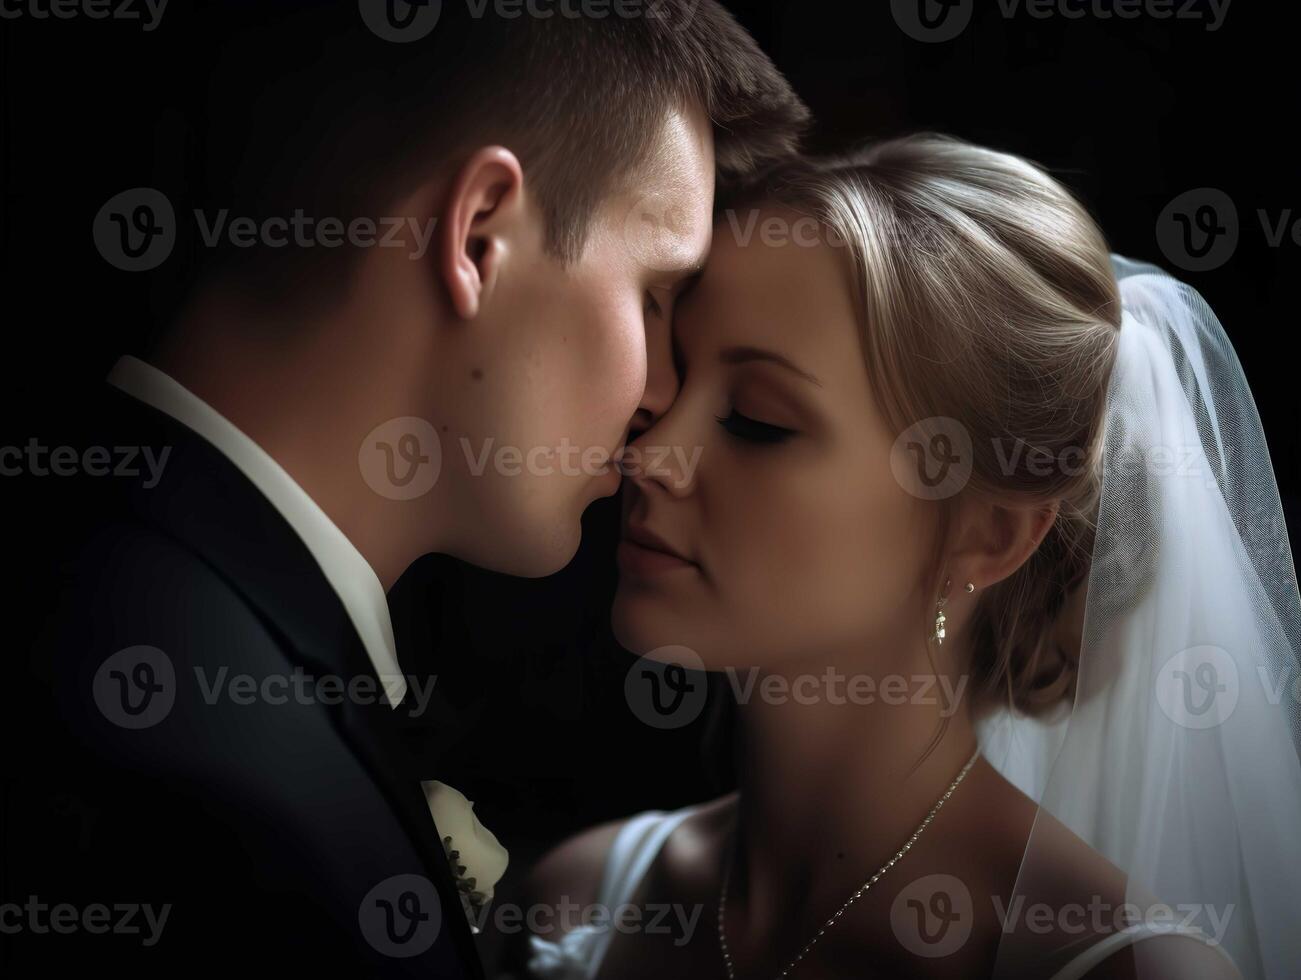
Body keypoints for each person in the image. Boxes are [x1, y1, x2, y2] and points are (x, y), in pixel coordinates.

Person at [6, 3, 809, 976]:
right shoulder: (199, 782)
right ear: (477, 236)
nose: (660, 394)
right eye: (651, 293)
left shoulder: (131, 595)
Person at [519, 135, 1301, 978]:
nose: (649, 454)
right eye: (671, 377)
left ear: (986, 535)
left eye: (755, 418)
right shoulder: (575, 899)